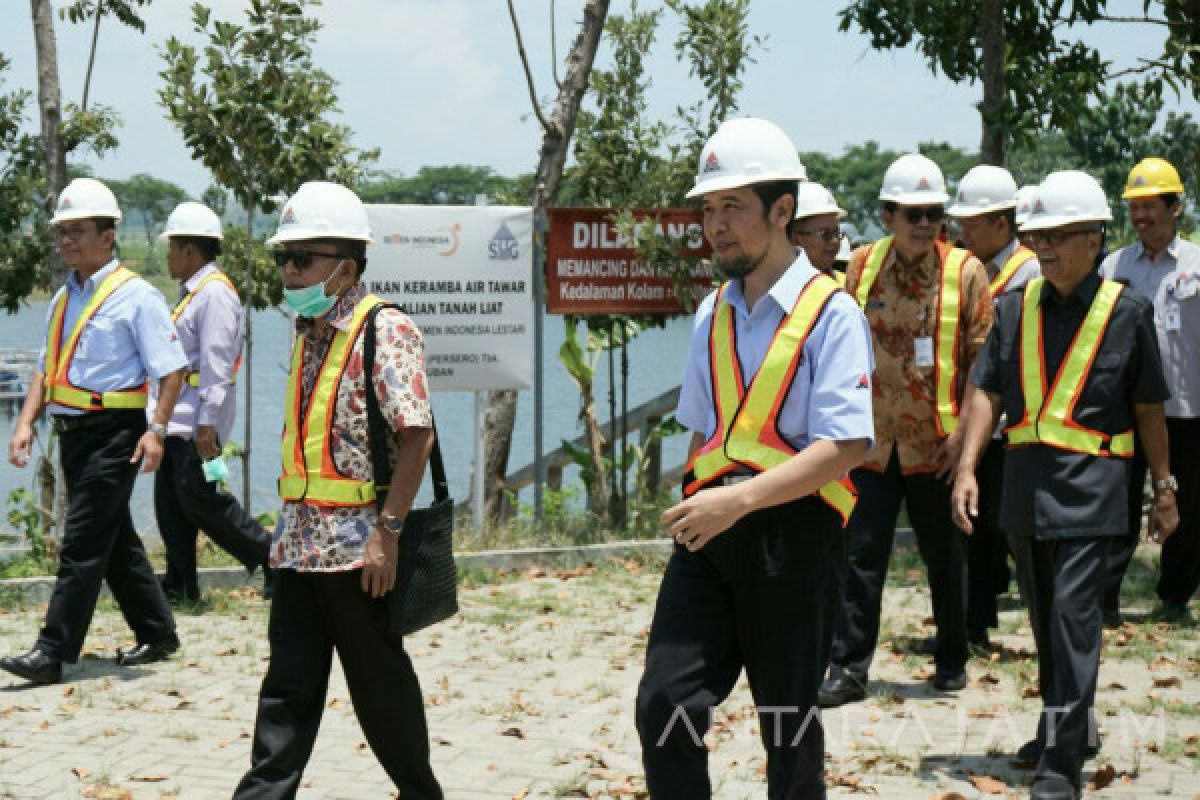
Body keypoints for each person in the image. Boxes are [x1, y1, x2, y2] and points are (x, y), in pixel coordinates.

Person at [635, 118, 874, 798]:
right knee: (664, 708)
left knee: (788, 730)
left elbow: (847, 444)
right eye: (708, 209)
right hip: (708, 535)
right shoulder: (711, 312)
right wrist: (702, 505)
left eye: (732, 207)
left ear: (782, 210)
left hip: (794, 540)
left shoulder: (832, 313)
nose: (714, 225)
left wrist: (739, 500)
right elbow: (704, 434)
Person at [952, 170, 1177, 800]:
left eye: (1057, 235)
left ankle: (1059, 768)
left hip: (1095, 498)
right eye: (1036, 236)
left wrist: (1164, 487)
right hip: (1024, 496)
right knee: (1047, 622)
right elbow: (987, 392)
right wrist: (968, 468)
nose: (1044, 248)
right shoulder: (1015, 308)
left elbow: (1150, 409)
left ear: (1094, 238)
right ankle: (1069, 729)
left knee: (1075, 621)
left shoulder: (1129, 312)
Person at [233, 182, 442, 799]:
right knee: (286, 693)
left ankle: (420, 792)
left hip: (358, 555)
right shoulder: (308, 329)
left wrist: (389, 535)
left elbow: (417, 437)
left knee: (380, 693)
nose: (288, 270)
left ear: (344, 266)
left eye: (302, 258)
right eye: (284, 258)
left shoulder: (386, 329)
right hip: (298, 546)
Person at [818, 153, 993, 708]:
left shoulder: (966, 271)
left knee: (946, 561)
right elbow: (840, 350)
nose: (924, 224)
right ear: (887, 214)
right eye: (911, 213)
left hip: (937, 448)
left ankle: (951, 659)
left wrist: (965, 439)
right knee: (859, 559)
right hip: (869, 446)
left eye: (933, 213)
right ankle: (848, 669)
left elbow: (981, 364)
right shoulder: (862, 267)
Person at [2, 178, 186, 685]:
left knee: (82, 541)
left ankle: (52, 651)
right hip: (73, 432)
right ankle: (158, 631)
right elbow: (46, 367)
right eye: (62, 232)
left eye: (78, 230)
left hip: (116, 433)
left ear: (108, 236)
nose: (66, 241)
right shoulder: (64, 298)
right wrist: (25, 421)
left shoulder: (137, 296)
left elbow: (171, 370)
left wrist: (156, 431)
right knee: (114, 539)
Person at [153, 202, 272, 605]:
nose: (167, 257)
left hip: (196, 423)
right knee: (171, 507)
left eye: (172, 248)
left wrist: (208, 424)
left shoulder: (215, 295)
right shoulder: (193, 295)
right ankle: (180, 584)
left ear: (190, 251)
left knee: (201, 501)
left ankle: (269, 554)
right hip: (175, 420)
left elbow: (217, 365)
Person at [1100, 157, 1200, 624]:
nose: (1140, 217)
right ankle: (1105, 600)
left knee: (1190, 504)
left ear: (1175, 207)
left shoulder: (1198, 264)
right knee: (1116, 504)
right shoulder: (1112, 267)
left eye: (1150, 207)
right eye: (1134, 208)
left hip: (1187, 406)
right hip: (1125, 409)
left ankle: (1175, 593)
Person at [947, 165, 1041, 649]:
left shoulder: (1029, 272)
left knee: (999, 529)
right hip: (980, 418)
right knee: (975, 530)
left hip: (1011, 425)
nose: (963, 233)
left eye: (972, 223)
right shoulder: (973, 270)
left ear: (1001, 224)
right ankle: (972, 624)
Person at [790, 181, 849, 283]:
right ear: (795, 238)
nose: (835, 241)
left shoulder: (848, 286)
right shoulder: (772, 288)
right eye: (824, 234)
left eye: (836, 233)